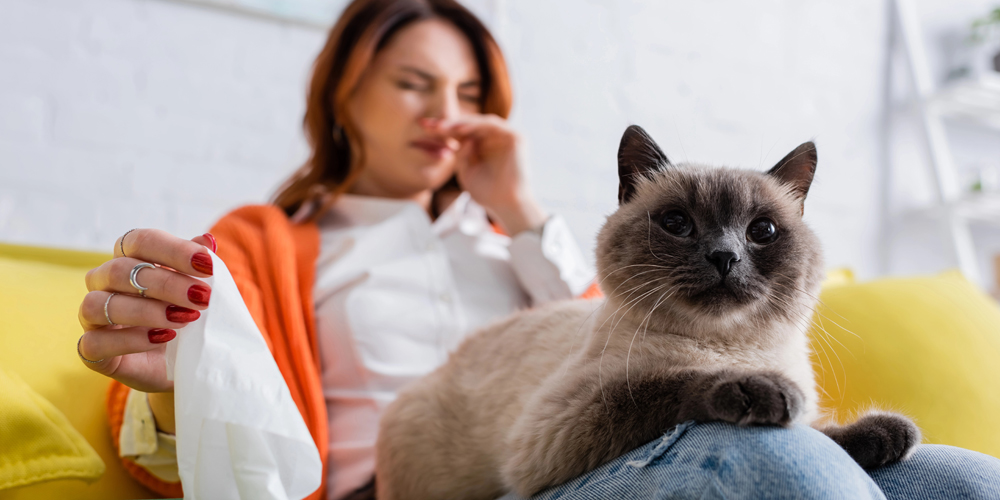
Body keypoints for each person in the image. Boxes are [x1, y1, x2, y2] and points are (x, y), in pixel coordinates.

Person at [76, 0, 1000, 499]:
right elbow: (208, 434)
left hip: (636, 431)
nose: (444, 111)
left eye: (469, 88)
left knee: (964, 479)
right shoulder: (268, 244)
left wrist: (519, 216)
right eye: (412, 83)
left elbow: (626, 330)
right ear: (343, 91)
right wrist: (189, 373)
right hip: (461, 478)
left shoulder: (539, 243)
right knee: (786, 471)